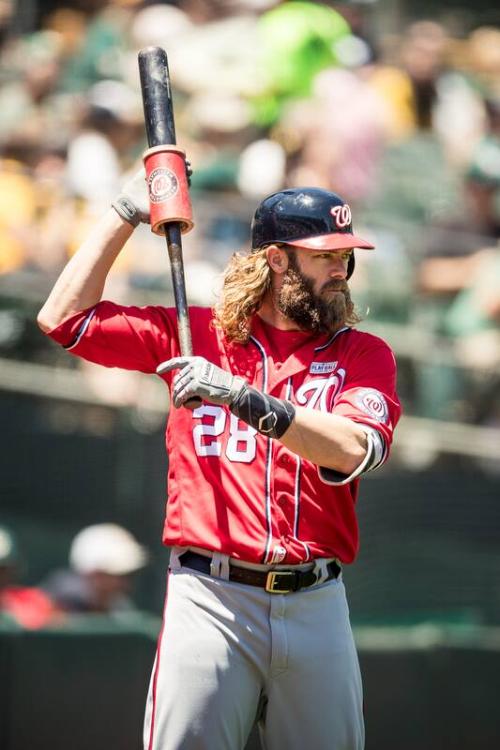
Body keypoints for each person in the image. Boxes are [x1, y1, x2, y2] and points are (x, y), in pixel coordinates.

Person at [37, 170, 401, 750]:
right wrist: (127, 208)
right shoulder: (195, 337)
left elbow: (357, 448)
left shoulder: (363, 353)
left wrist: (241, 397)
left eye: (346, 256)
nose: (342, 270)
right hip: (211, 599)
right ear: (277, 260)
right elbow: (64, 319)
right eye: (325, 256)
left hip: (316, 602)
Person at [41, 523, 148, 615]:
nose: (124, 584)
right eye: (118, 576)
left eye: (127, 576)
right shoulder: (51, 605)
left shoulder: (121, 610)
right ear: (93, 574)